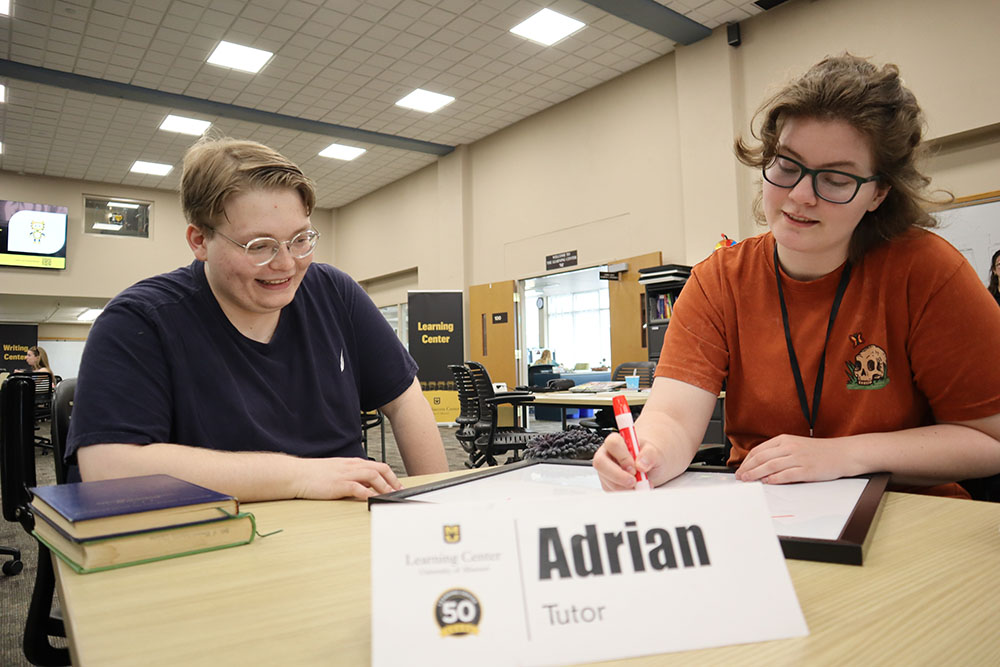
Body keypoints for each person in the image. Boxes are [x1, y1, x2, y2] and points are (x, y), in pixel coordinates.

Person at [594, 54, 1000, 498]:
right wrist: (646, 454)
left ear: (879, 192)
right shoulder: (719, 281)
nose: (801, 195)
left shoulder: (927, 271)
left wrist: (844, 455)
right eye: (787, 166)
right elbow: (672, 419)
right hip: (765, 515)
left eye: (837, 180)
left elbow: (990, 438)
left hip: (909, 518)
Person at [66, 137, 448, 501]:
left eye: (300, 239)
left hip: (344, 521)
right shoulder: (140, 321)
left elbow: (405, 401)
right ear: (200, 241)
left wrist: (443, 507)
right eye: (259, 246)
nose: (286, 264)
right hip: (222, 533)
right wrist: (300, 475)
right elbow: (108, 467)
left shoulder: (334, 292)